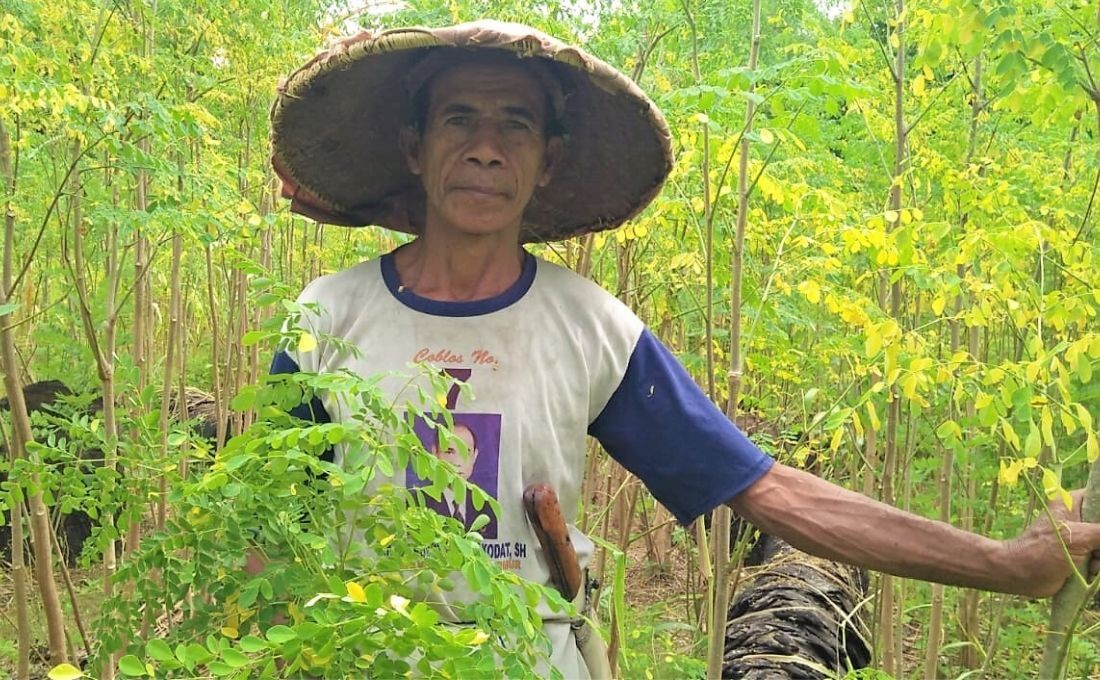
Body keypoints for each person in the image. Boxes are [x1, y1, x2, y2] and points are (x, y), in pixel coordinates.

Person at [268, 20, 1100, 678]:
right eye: (460, 119)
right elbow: (267, 528)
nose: (487, 147)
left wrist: (1002, 564)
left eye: (515, 124)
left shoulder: (589, 326)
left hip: (528, 658)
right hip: (357, 654)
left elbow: (770, 492)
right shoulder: (327, 317)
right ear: (416, 148)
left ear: (549, 161)